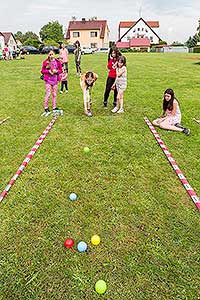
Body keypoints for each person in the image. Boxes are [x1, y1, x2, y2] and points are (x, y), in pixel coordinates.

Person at [41, 50, 62, 116]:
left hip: (55, 80)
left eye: (52, 54)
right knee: (48, 93)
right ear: (48, 55)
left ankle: (54, 107)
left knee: (54, 94)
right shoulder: (46, 62)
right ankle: (46, 107)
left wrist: (57, 71)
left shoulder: (57, 62)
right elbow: (42, 71)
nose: (51, 55)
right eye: (50, 54)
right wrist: (48, 71)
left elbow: (61, 70)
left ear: (54, 54)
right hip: (48, 80)